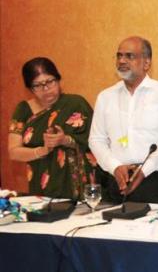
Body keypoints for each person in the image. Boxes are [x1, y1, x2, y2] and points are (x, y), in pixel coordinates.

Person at [89, 37, 158, 204]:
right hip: (117, 179)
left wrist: (144, 170)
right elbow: (96, 139)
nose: (122, 61)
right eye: (119, 56)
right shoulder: (105, 97)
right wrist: (115, 166)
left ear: (146, 63)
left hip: (156, 180)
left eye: (129, 56)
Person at [8, 57, 100, 199]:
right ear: (30, 88)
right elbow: (13, 152)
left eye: (50, 81)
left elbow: (97, 141)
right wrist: (42, 150)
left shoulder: (76, 104)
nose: (46, 89)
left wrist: (65, 140)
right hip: (41, 186)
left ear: (58, 79)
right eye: (37, 85)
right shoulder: (23, 110)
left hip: (78, 184)